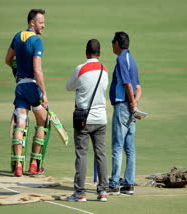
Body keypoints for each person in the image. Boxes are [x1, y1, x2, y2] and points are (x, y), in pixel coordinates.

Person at [5, 9, 49, 177]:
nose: (43, 25)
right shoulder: (36, 41)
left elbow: (8, 60)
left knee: (20, 125)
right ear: (32, 23)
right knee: (42, 123)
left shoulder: (17, 37)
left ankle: (17, 166)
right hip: (32, 87)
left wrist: (16, 71)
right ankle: (33, 164)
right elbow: (37, 70)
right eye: (41, 22)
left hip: (20, 87)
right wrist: (44, 93)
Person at [66, 39, 109, 202]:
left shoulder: (80, 69)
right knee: (101, 155)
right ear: (99, 53)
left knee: (82, 155)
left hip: (83, 118)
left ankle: (80, 192)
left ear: (86, 52)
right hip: (101, 119)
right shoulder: (104, 70)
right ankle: (103, 192)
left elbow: (69, 87)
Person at [108, 32, 142, 195]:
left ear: (117, 44)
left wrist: (131, 103)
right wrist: (134, 104)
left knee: (117, 146)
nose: (111, 45)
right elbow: (138, 88)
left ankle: (114, 184)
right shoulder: (132, 60)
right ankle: (128, 185)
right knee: (129, 148)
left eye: (113, 42)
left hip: (123, 107)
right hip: (130, 108)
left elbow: (128, 85)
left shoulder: (121, 59)